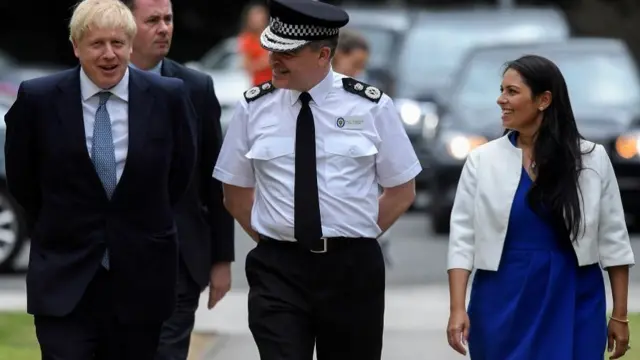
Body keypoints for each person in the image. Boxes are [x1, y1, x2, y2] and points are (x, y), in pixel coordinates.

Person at [213, 0, 421, 359]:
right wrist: (277, 236)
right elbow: (235, 193)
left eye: (287, 53)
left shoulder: (370, 107)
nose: (273, 60)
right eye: (271, 49)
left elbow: (401, 191)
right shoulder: (253, 108)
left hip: (351, 269)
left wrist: (353, 231)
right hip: (279, 268)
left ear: (323, 54)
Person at [3, 0, 196, 359]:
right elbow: (22, 179)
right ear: (76, 46)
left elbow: (178, 174)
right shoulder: (39, 99)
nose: (109, 54)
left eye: (118, 43)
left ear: (130, 43)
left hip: (141, 278)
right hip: (64, 277)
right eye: (97, 44)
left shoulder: (168, 97)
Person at [446, 54, 635, 360]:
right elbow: (462, 239)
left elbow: (614, 241)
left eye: (512, 92)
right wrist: (457, 309)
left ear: (544, 100)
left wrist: (620, 315)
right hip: (501, 295)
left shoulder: (591, 158)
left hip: (574, 294)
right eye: (501, 90)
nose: (500, 100)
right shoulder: (482, 160)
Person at [122, 0, 235, 358]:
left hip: (180, 260)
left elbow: (215, 178)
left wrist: (221, 260)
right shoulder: (98, 83)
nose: (164, 28)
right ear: (125, 24)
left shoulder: (196, 88)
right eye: (153, 20)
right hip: (115, 257)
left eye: (168, 19)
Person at [238, 2, 271, 86]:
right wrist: (266, 61)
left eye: (260, 15)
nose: (257, 19)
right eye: (254, 16)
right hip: (259, 85)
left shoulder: (273, 35)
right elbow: (246, 66)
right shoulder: (246, 39)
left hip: (278, 84)